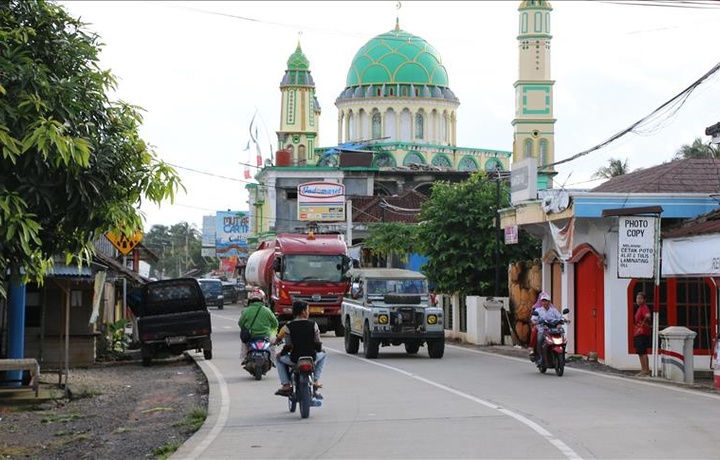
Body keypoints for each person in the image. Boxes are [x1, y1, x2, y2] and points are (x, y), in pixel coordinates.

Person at [273, 300, 327, 398]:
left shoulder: (288, 327)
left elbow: (288, 346)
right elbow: (318, 343)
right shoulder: (313, 325)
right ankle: (315, 380)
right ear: (303, 312)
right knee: (324, 355)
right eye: (307, 310)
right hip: (311, 357)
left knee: (278, 359)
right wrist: (319, 351)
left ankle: (285, 384)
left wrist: (280, 354)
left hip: (295, 359)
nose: (308, 312)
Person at [237, 289, 278, 364]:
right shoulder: (267, 311)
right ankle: (272, 360)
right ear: (263, 299)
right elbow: (275, 323)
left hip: (251, 336)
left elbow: (241, 324)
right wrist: (271, 330)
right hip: (266, 336)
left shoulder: (246, 311)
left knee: (244, 343)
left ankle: (243, 358)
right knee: (272, 344)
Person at [530, 291, 563, 363]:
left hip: (553, 330)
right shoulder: (538, 310)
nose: (545, 303)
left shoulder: (553, 310)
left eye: (546, 301)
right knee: (540, 339)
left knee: (562, 337)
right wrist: (535, 322)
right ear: (541, 302)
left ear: (549, 302)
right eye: (543, 301)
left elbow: (560, 317)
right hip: (543, 330)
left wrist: (563, 321)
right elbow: (533, 319)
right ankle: (540, 356)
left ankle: (562, 355)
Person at [633, 292, 652, 376]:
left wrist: (643, 324)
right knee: (640, 351)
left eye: (640, 298)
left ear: (644, 300)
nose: (638, 300)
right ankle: (643, 369)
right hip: (638, 332)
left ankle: (646, 370)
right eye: (637, 298)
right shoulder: (639, 308)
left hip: (643, 332)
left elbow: (648, 316)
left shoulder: (644, 308)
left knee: (643, 351)